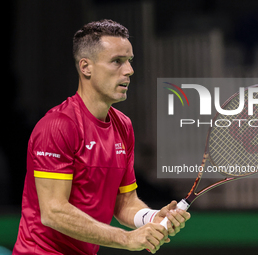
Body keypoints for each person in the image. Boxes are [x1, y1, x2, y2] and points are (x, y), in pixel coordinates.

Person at [13, 19, 190, 255]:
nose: (129, 70)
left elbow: (124, 202)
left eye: (129, 61)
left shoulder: (123, 126)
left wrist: (151, 217)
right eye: (117, 61)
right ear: (86, 67)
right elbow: (53, 211)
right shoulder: (57, 126)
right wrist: (126, 239)